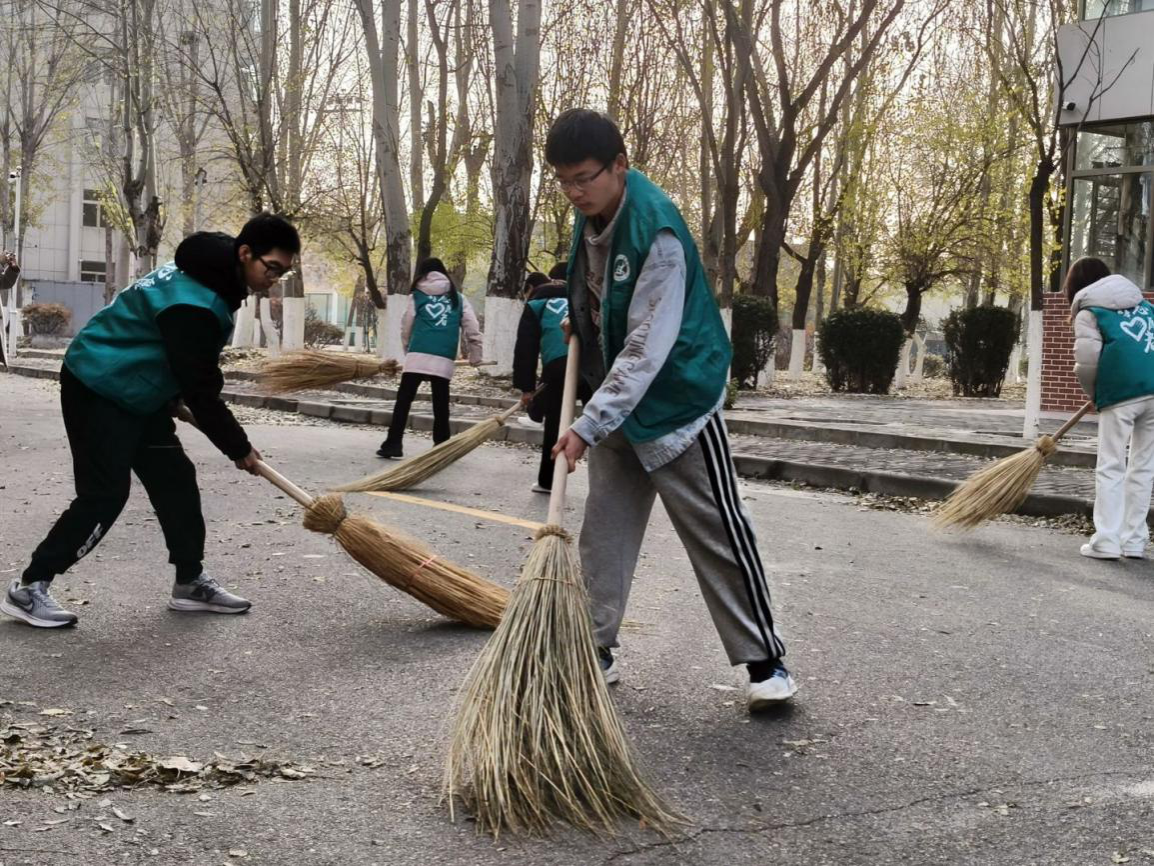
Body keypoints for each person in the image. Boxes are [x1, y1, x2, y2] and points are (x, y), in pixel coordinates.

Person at [545, 108, 796, 711]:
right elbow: (599, 291)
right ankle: (594, 650)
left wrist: (586, 425)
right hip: (616, 398)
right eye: (564, 181)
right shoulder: (592, 213)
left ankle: (765, 661)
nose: (575, 192)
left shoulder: (655, 230)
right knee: (605, 532)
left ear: (620, 165)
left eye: (584, 178)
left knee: (717, 531)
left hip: (676, 398)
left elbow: (646, 344)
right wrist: (581, 319)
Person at [2, 214, 300, 629]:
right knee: (105, 494)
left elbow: (175, 356)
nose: (275, 280)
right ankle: (30, 587)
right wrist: (238, 447)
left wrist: (171, 396)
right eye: (272, 269)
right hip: (98, 383)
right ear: (245, 253)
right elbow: (200, 388)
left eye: (283, 273)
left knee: (175, 479)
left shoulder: (213, 270)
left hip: (140, 389)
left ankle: (190, 582)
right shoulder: (194, 303)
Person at [1068, 256, 1154, 560]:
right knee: (1143, 467)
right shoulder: (1145, 306)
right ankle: (1134, 541)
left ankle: (1106, 541)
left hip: (1120, 394)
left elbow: (1087, 362)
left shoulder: (1089, 312)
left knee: (1111, 465)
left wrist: (1095, 394)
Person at [376, 257, 483, 459]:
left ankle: (393, 444)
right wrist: (475, 354)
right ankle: (442, 446)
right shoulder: (458, 298)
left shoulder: (416, 296)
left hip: (418, 354)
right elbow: (472, 327)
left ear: (422, 274)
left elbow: (406, 325)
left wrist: (408, 349)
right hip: (443, 356)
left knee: (403, 401)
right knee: (440, 404)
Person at [513, 273, 573, 493]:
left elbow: (526, 349)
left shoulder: (536, 304)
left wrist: (527, 388)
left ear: (531, 289)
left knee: (555, 423)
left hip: (557, 365)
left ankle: (547, 481)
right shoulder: (579, 297)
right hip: (591, 363)